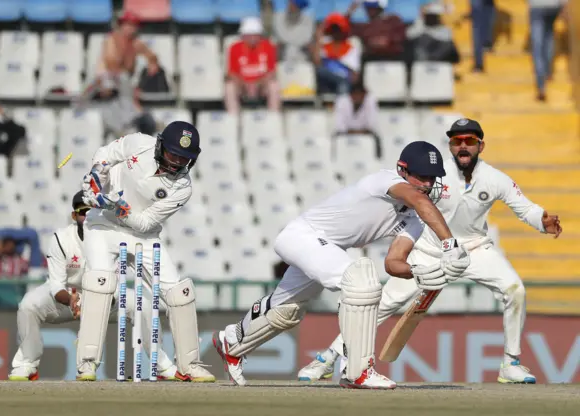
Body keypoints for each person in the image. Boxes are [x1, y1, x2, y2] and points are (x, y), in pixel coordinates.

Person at [298, 118, 563, 384]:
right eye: (456, 141)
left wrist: (542, 221)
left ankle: (511, 363)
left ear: (480, 146)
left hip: (474, 248)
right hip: (429, 250)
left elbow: (525, 208)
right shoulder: (435, 174)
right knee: (381, 305)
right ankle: (327, 359)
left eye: (469, 141)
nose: (462, 146)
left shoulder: (495, 179)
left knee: (515, 289)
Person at [212, 141, 471, 389]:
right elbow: (421, 201)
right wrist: (449, 244)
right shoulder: (387, 181)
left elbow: (393, 263)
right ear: (402, 171)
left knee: (287, 310)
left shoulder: (414, 218)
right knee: (361, 283)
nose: (427, 184)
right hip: (303, 235)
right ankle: (357, 370)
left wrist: (420, 272)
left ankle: (232, 342)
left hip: (326, 248)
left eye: (432, 178)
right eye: (421, 177)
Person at [76, 122, 215, 383]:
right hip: (102, 227)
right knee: (100, 283)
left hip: (143, 236)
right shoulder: (140, 143)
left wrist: (115, 206)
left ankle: (190, 364)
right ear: (161, 146)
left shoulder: (182, 187)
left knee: (179, 293)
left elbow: (146, 223)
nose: (176, 162)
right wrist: (97, 176)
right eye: (173, 154)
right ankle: (87, 363)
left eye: (184, 158)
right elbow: (106, 153)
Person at [7, 192, 179, 381]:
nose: (88, 216)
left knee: (143, 306)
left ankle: (160, 364)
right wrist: (71, 300)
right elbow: (56, 285)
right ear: (74, 216)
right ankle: (27, 363)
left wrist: (91, 302)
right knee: (28, 305)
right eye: (83, 212)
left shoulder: (114, 238)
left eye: (93, 211)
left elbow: (114, 284)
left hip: (104, 297)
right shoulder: (61, 238)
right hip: (65, 298)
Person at [225, 17, 281, 113]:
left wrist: (258, 84)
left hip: (262, 86)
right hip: (242, 85)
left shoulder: (269, 46)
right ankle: (234, 118)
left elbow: (272, 72)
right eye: (248, 35)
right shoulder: (235, 48)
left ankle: (273, 117)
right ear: (243, 35)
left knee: (274, 86)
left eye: (255, 35)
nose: (252, 38)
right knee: (229, 87)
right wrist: (244, 84)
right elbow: (232, 73)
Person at [528, 0, 568, 101]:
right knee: (549, 36)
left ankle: (541, 85)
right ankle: (547, 70)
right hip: (553, 5)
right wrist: (564, 4)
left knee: (538, 45)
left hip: (537, 5)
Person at [312, 13, 361, 95]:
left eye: (338, 29)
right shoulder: (324, 44)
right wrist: (318, 39)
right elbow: (317, 63)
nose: (336, 32)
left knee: (343, 85)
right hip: (326, 80)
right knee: (320, 71)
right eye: (333, 29)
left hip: (345, 81)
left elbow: (355, 74)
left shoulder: (352, 47)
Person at [333, 82, 382, 158]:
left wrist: (357, 132)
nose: (358, 97)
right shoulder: (342, 101)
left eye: (360, 95)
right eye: (355, 95)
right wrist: (356, 132)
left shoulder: (370, 101)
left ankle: (376, 162)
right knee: (334, 138)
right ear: (350, 95)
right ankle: (335, 162)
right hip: (346, 134)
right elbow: (340, 126)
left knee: (376, 139)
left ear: (364, 95)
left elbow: (372, 125)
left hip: (365, 134)